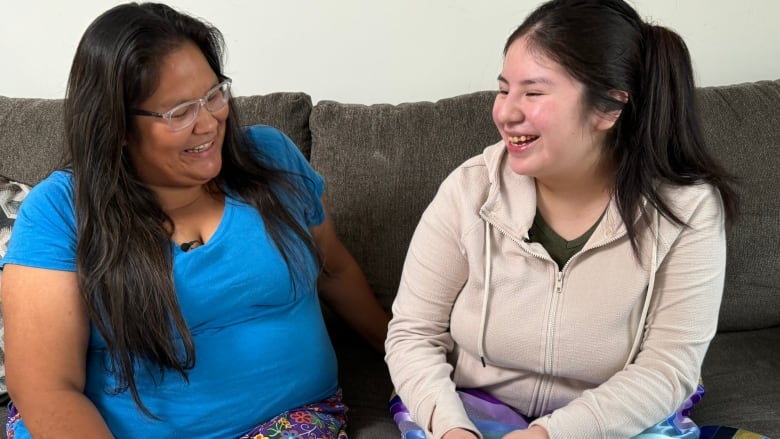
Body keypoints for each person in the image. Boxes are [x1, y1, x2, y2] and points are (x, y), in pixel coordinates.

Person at [0, 3, 389, 438]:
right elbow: (47, 387)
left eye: (212, 95)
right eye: (179, 112)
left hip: (286, 423)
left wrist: (414, 358)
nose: (208, 123)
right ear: (117, 127)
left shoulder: (272, 158)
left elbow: (334, 269)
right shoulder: (60, 209)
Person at [384, 0, 751, 438]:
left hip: (610, 418)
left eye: (533, 92)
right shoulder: (470, 189)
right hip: (471, 410)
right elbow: (412, 333)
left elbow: (669, 366)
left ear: (609, 109)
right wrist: (450, 430)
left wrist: (548, 435)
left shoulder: (687, 208)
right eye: (504, 90)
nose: (505, 112)